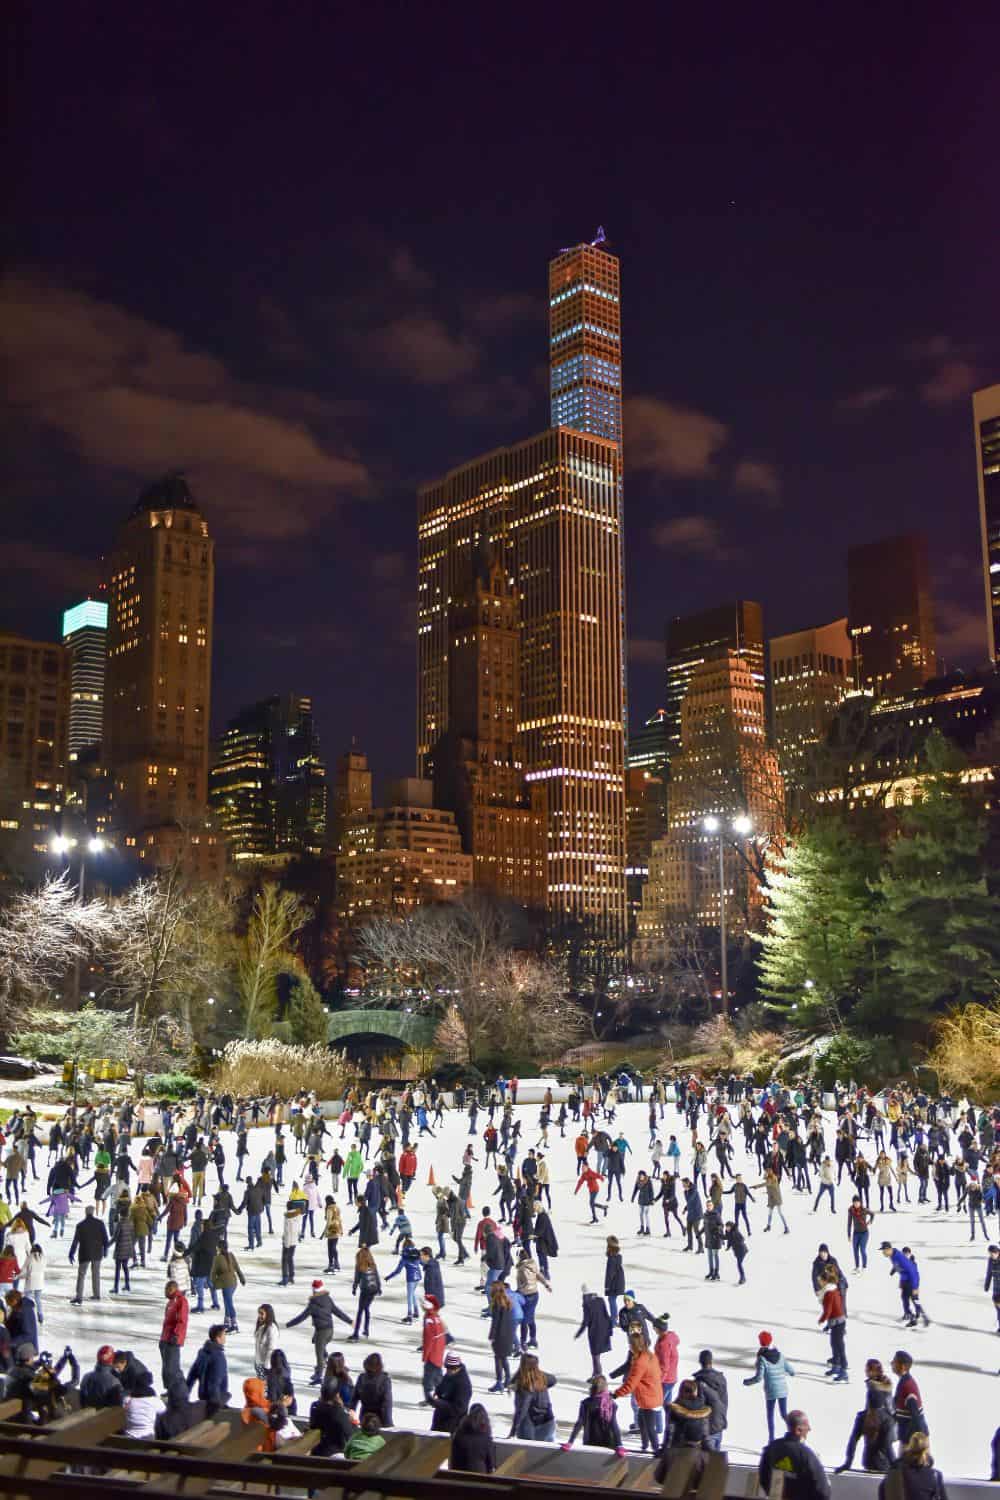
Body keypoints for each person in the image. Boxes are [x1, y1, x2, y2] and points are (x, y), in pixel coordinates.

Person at [287, 1278, 353, 1383]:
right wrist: (350, 1321)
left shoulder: (313, 1304)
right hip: (329, 1331)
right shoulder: (328, 1299)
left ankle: (319, 1376)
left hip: (322, 1332)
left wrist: (289, 1324)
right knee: (319, 1347)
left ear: (313, 1290)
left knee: (319, 1354)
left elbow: (302, 1317)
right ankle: (328, 1363)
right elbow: (337, 1311)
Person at [834, 1360, 895, 1473]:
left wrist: (847, 1463)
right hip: (884, 1465)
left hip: (868, 1462)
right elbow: (888, 1446)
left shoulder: (863, 1418)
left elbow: (853, 1441)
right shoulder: (888, 1419)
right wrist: (896, 1467)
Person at [759, 1409, 831, 1500]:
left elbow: (763, 1478)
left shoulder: (771, 1449)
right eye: (807, 1426)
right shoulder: (806, 1455)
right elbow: (822, 1491)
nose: (809, 1429)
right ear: (798, 1430)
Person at [612, 1332, 663, 1454]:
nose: (629, 1346)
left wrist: (615, 1394)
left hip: (648, 1399)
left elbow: (630, 1385)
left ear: (634, 1345)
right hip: (653, 1394)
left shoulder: (640, 1361)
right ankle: (645, 1446)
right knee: (642, 1421)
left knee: (650, 1427)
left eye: (630, 1344)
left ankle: (656, 1450)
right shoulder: (650, 1356)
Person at [744, 1330, 795, 1442]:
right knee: (784, 1413)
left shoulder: (762, 1358)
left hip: (771, 1390)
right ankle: (794, 1432)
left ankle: (771, 1439)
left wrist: (748, 1382)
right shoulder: (780, 1355)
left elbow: (758, 1377)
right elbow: (791, 1370)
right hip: (782, 1389)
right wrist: (792, 1373)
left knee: (770, 1415)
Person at [563, 1374, 625, 1455]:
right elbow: (614, 1424)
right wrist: (619, 1445)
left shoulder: (586, 1403)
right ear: (605, 1387)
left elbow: (580, 1422)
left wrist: (570, 1442)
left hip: (590, 1442)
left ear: (592, 1388)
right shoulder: (611, 1404)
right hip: (608, 1443)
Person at [880, 1431, 949, 1500]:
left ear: (909, 1446)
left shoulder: (894, 1472)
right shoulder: (935, 1476)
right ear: (927, 1450)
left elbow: (882, 1492)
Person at [509, 1352, 557, 1441]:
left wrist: (513, 1431)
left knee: (528, 1451)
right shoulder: (542, 1377)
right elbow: (553, 1380)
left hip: (532, 1423)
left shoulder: (525, 1385)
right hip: (548, 1420)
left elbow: (522, 1408)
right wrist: (541, 1385)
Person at [68, 1204, 109, 1304]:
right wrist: (105, 1250)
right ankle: (96, 1294)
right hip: (97, 1252)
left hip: (85, 1252)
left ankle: (79, 1297)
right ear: (93, 1212)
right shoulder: (100, 1223)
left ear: (85, 1212)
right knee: (96, 1274)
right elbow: (105, 1238)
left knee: (81, 1275)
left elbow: (75, 1241)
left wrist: (71, 1253)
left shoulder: (81, 1225)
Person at [186, 1323, 229, 1416]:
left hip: (202, 1396)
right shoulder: (218, 1357)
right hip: (213, 1402)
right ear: (218, 1338)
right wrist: (215, 1404)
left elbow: (192, 1375)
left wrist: (184, 1395)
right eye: (224, 1335)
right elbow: (215, 1382)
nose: (225, 1337)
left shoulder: (203, 1352)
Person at [692, 1349, 728, 1451]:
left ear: (700, 1362)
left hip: (706, 1429)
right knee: (715, 1461)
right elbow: (724, 1401)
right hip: (719, 1423)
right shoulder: (721, 1379)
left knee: (706, 1463)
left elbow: (699, 1407)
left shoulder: (699, 1382)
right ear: (711, 1361)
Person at [429, 1349, 471, 1434]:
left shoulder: (463, 1384)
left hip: (452, 1428)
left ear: (457, 1367)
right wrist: (436, 1394)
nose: (448, 1370)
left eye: (451, 1368)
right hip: (440, 1422)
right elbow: (441, 1387)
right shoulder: (449, 1375)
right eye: (447, 1367)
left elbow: (459, 1408)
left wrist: (439, 1403)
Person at [818, 1265, 848, 1382]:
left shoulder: (830, 1292)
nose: (819, 1283)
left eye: (820, 1281)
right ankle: (836, 1366)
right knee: (833, 1344)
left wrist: (822, 1319)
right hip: (835, 1321)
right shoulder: (830, 1290)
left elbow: (828, 1309)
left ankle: (843, 1371)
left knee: (839, 1345)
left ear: (825, 1281)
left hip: (838, 1322)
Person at [309, 1379, 353, 1457]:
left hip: (317, 1450)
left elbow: (313, 1426)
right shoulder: (339, 1412)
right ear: (337, 1394)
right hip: (334, 1453)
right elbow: (348, 1434)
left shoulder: (315, 1407)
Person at [890, 1351, 928, 1445]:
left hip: (912, 1442)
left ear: (902, 1366)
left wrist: (916, 1444)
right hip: (907, 1438)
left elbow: (916, 1417)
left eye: (894, 1361)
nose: (891, 1363)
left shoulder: (907, 1387)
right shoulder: (903, 1382)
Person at [451, 1403, 496, 1474]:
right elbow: (490, 1464)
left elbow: (453, 1460)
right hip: (480, 1477)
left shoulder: (459, 1435)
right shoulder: (486, 1438)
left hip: (459, 1475)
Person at [159, 1279, 189, 1388]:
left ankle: (180, 1390)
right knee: (167, 1367)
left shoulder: (180, 1301)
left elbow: (182, 1320)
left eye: (166, 1290)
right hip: (165, 1339)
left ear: (172, 1289)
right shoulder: (171, 1301)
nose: (165, 1292)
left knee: (173, 1367)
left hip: (173, 1340)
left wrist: (176, 1335)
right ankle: (169, 1389)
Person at [351, 1350, 393, 1427]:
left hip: (364, 1415)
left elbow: (354, 1398)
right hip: (379, 1418)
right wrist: (388, 1423)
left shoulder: (362, 1377)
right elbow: (386, 1403)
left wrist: (351, 1414)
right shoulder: (384, 1380)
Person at [487, 1280, 516, 1392]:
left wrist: (491, 1336)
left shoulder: (497, 1304)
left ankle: (499, 1381)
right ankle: (508, 1379)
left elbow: (496, 1322)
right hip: (508, 1334)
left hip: (499, 1335)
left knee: (498, 1358)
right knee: (503, 1358)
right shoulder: (507, 1302)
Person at [350, 1245, 381, 1341]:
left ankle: (356, 1334)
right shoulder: (373, 1265)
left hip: (366, 1290)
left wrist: (354, 1289)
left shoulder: (359, 1266)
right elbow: (377, 1277)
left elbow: (357, 1279)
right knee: (366, 1308)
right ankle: (366, 1330)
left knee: (360, 1311)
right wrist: (379, 1288)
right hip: (373, 1289)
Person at [123, 1369, 164, 1438]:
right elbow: (164, 1411)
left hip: (129, 1437)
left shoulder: (127, 1400)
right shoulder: (154, 1401)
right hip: (148, 1436)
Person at [80, 1343, 124, 1408]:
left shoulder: (86, 1377)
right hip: (106, 1417)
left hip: (87, 1415)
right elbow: (118, 1408)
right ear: (112, 1360)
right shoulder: (114, 1382)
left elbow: (82, 1401)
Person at [254, 1303, 278, 1377]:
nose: (259, 1316)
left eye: (262, 1313)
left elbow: (271, 1348)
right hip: (259, 1363)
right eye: (259, 1313)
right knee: (260, 1386)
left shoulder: (272, 1328)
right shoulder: (261, 1326)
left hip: (267, 1365)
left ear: (268, 1314)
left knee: (266, 1387)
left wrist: (267, 1365)